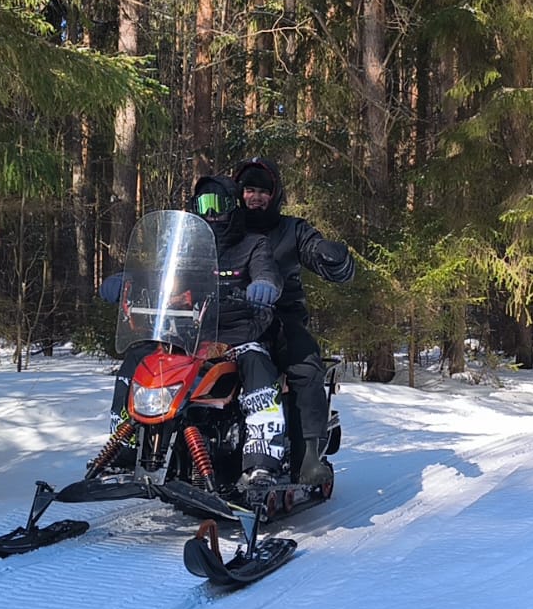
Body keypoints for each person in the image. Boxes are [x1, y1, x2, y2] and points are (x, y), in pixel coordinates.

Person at [101, 175, 287, 486]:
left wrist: (265, 285)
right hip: (188, 337)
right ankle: (124, 446)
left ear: (233, 207)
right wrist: (127, 281)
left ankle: (262, 457)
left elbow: (267, 271)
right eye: (204, 204)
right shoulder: (186, 249)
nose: (211, 213)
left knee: (257, 362)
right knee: (138, 358)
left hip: (238, 335)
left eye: (218, 205)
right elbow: (159, 275)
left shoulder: (254, 244)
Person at [232, 157, 355, 486]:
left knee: (305, 365)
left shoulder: (291, 229)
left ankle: (308, 458)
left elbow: (314, 251)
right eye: (249, 190)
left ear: (274, 195)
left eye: (263, 191)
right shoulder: (226, 227)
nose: (255, 197)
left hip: (280, 320)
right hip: (227, 320)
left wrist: (333, 257)